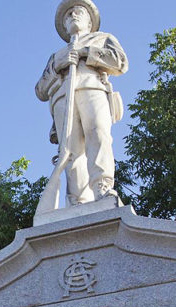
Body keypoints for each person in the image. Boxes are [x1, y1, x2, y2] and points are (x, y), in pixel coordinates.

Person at [35, 0, 128, 206]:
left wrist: (88, 52)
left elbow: (121, 62)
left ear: (89, 20)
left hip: (92, 88)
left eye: (78, 12)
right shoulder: (56, 56)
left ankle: (102, 187)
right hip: (62, 99)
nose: (72, 16)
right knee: (70, 150)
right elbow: (40, 90)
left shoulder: (102, 39)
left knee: (98, 134)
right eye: (68, 16)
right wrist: (58, 66)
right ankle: (77, 198)